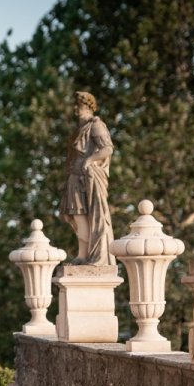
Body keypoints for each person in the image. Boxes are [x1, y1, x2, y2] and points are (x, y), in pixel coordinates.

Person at [59, 91, 115, 265]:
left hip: (89, 178)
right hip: (75, 178)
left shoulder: (96, 125)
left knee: (92, 215)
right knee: (77, 215)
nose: (76, 109)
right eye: (76, 105)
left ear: (89, 107)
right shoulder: (79, 130)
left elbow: (107, 149)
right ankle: (82, 255)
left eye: (80, 106)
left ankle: (95, 255)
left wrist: (89, 160)